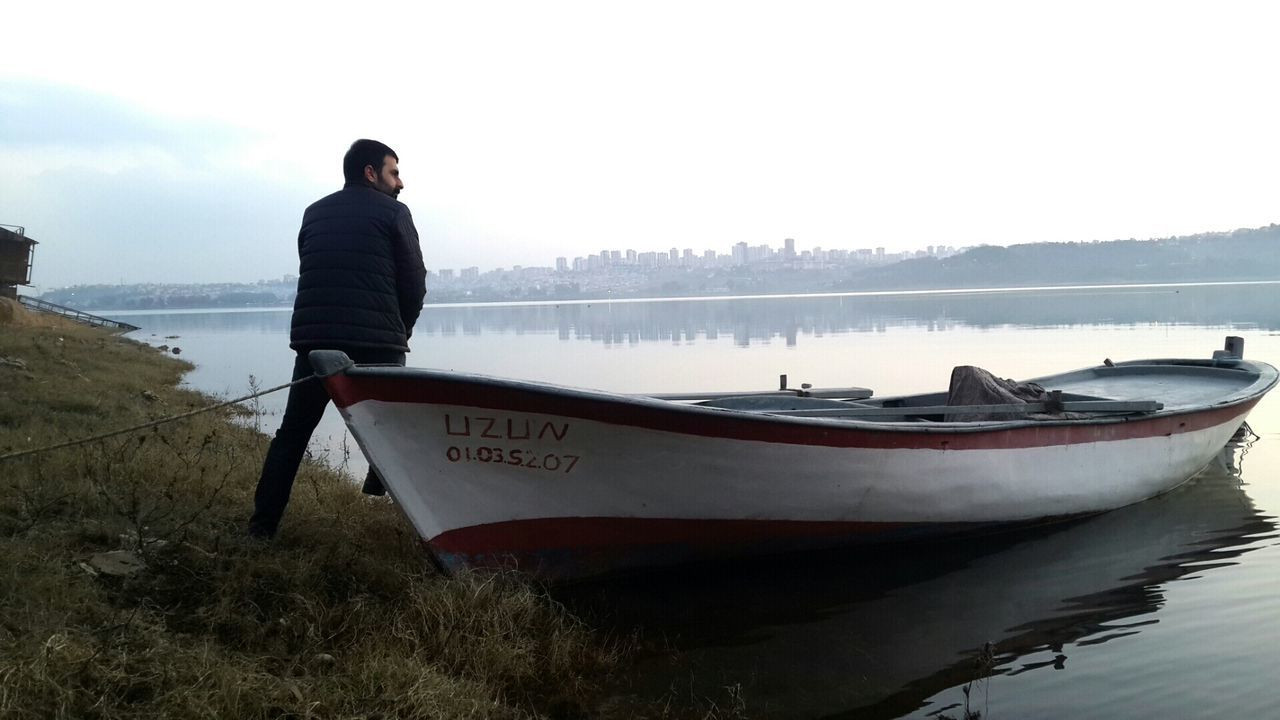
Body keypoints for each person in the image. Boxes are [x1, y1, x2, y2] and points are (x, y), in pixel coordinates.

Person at [249, 139, 426, 539]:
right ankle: (389, 502)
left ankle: (261, 528)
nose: (401, 183)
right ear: (370, 172)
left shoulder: (313, 213)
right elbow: (414, 282)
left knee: (293, 434)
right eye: (394, 172)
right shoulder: (396, 213)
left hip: (316, 344)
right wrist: (402, 331)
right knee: (392, 432)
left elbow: (311, 266)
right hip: (379, 341)